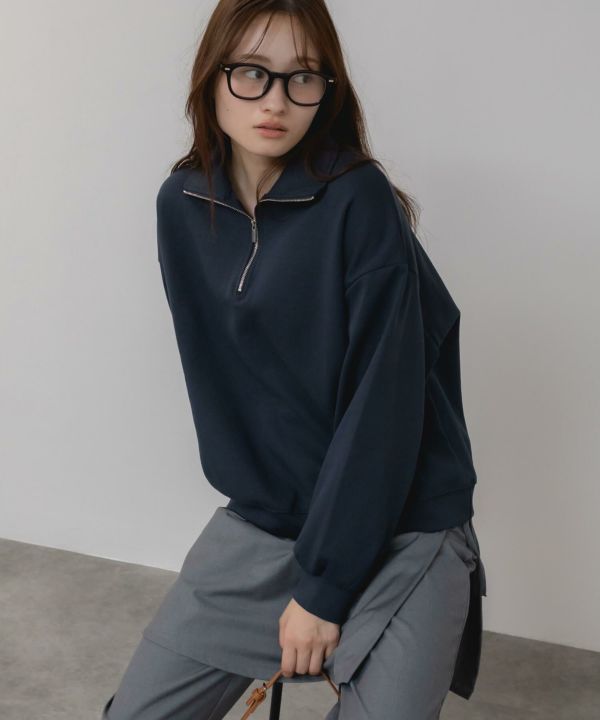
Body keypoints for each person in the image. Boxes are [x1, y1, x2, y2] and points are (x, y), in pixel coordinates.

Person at [102, 1, 487, 718]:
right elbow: (231, 387)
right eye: (252, 72)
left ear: (326, 91)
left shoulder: (357, 200)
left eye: (302, 77)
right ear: (212, 75)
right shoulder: (182, 205)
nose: (275, 101)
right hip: (269, 524)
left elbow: (383, 411)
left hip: (403, 525)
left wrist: (322, 591)